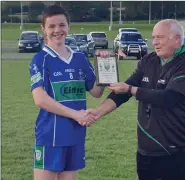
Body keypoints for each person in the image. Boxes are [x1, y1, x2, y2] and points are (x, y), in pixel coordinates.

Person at [86, 19, 185, 180]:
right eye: (153, 37)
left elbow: (169, 98)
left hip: (175, 151)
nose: (154, 42)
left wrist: (130, 89)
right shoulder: (149, 60)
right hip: (145, 151)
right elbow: (123, 91)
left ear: (177, 38)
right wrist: (98, 112)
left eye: (160, 37)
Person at [29, 5, 107, 180]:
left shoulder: (79, 58)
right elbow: (40, 99)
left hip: (75, 134)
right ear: (44, 29)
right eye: (51, 26)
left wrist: (105, 70)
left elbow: (96, 91)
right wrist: (75, 115)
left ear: (68, 26)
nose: (57, 30)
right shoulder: (41, 59)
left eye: (62, 25)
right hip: (50, 136)